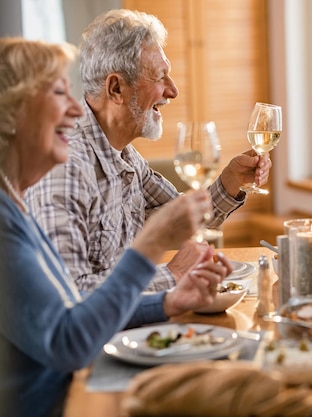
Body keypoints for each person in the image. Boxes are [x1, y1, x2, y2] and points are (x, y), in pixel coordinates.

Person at [0, 37, 233, 417]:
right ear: (11, 114)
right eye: (60, 92)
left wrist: (169, 302)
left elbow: (74, 314)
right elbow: (70, 341)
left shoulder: (13, 203)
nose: (77, 109)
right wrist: (152, 248)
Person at [24, 9, 272, 292]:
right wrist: (174, 274)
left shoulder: (124, 154)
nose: (173, 90)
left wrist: (230, 181)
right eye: (160, 77)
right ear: (116, 88)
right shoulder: (65, 165)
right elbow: (68, 294)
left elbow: (179, 219)